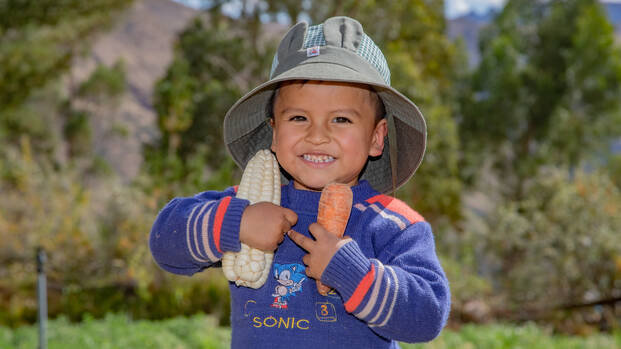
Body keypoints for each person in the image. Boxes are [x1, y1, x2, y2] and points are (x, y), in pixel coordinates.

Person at [149, 16, 450, 348]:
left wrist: (351, 273)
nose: (317, 135)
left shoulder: (393, 225)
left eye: (341, 119)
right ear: (274, 133)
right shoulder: (249, 205)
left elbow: (428, 315)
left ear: (377, 138)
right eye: (298, 118)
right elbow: (165, 241)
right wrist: (235, 224)